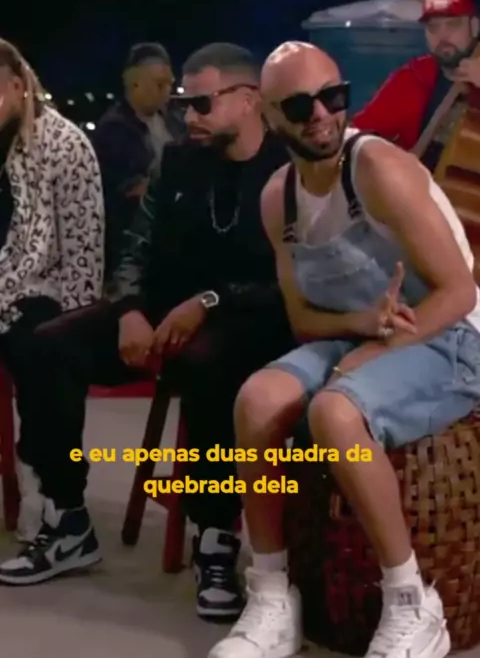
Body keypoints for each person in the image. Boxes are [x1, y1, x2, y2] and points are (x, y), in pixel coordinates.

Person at [0, 43, 293, 620]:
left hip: (244, 318)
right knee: (46, 345)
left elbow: (289, 281)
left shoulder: (284, 170)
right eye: (183, 103)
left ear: (249, 100)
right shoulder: (177, 161)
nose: (189, 116)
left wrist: (209, 302)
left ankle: (215, 537)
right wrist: (130, 308)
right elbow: (134, 249)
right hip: (160, 310)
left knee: (213, 365)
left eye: (202, 103)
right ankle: (67, 519)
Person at [209, 41, 480, 658]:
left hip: (452, 336)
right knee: (256, 400)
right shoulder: (278, 198)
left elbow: (459, 292)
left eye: (333, 96)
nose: (321, 115)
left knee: (336, 410)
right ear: (269, 115)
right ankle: (272, 595)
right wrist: (366, 325)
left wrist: (380, 350)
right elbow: (304, 320)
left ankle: (412, 602)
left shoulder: (376, 168)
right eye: (299, 105)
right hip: (365, 331)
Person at [0, 39, 104, 544]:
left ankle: (56, 497)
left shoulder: (63, 144)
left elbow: (84, 253)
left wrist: (76, 330)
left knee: (42, 344)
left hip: (45, 290)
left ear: (19, 86)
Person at [353, 0, 480, 172]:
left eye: (453, 24)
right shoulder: (413, 76)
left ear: (474, 27)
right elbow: (358, 134)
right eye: (433, 27)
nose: (443, 36)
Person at [92, 42, 184, 277]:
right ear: (135, 83)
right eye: (159, 84)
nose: (167, 91)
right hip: (132, 241)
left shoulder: (174, 119)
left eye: (170, 83)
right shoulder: (113, 130)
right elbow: (128, 189)